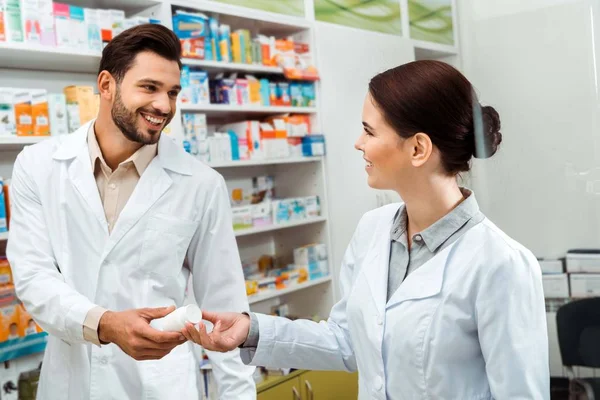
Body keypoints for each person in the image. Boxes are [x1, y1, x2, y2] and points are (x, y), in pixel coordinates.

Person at [182, 60, 550, 399]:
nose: (359, 143)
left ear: (418, 148)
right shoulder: (374, 229)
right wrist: (251, 331)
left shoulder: (502, 264)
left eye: (369, 131)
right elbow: (348, 341)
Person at [7, 24, 255, 400]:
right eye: (149, 87)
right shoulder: (38, 166)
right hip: (71, 379)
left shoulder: (201, 183)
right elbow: (33, 277)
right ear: (106, 85)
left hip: (159, 384)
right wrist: (104, 324)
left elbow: (224, 308)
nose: (165, 106)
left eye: (172, 92)